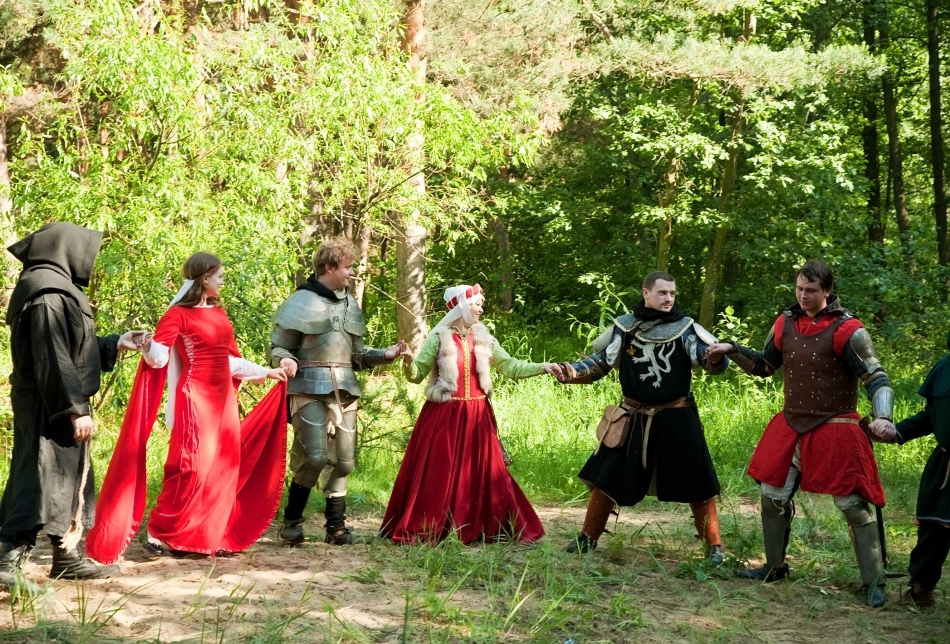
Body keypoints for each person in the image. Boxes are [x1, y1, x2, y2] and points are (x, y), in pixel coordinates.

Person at [706, 259, 896, 608]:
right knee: (772, 497)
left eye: (811, 290)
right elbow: (764, 366)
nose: (803, 295)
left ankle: (874, 583)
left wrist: (883, 416)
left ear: (827, 291)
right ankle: (775, 567)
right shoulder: (785, 323)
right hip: (792, 423)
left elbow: (876, 377)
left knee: (853, 506)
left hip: (836, 426)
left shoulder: (848, 329)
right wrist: (732, 348)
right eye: (799, 289)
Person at [85, 252, 289, 563]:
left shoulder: (219, 315)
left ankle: (209, 536)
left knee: (223, 467)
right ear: (205, 278)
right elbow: (159, 359)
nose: (222, 281)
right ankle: (160, 530)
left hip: (223, 400)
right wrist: (146, 345)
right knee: (190, 466)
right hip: (196, 398)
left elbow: (229, 361)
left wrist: (266, 371)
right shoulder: (177, 315)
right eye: (219, 276)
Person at [0, 222, 148, 586]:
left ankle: (67, 557)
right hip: (49, 404)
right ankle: (7, 560)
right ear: (65, 249)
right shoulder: (47, 293)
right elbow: (52, 357)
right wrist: (74, 409)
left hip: (53, 400)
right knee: (38, 476)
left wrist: (114, 343)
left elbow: (72, 349)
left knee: (66, 478)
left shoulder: (51, 288)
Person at [555, 271, 729, 563]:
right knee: (607, 476)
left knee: (697, 480)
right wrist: (570, 371)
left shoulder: (686, 328)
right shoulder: (625, 328)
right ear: (646, 293)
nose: (669, 298)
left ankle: (714, 547)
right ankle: (587, 538)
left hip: (678, 418)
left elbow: (708, 359)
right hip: (633, 417)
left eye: (672, 293)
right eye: (662, 293)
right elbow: (600, 363)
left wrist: (714, 357)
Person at [380, 284, 559, 544]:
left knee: (486, 472)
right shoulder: (439, 338)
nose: (481, 309)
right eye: (477, 304)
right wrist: (408, 360)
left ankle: (481, 526)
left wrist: (544, 367)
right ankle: (433, 525)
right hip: (445, 416)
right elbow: (416, 375)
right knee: (439, 473)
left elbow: (511, 367)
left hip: (477, 415)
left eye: (480, 304)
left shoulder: (484, 338)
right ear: (462, 306)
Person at [268, 238, 406, 545]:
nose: (352, 272)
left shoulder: (349, 303)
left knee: (345, 461)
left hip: (344, 387)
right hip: (307, 386)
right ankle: (291, 523)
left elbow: (357, 355)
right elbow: (277, 347)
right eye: (347, 267)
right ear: (329, 267)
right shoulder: (300, 301)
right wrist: (286, 359)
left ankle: (336, 527)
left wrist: (385, 355)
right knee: (315, 457)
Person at [874, 328, 950, 607]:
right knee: (932, 529)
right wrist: (897, 431)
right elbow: (931, 417)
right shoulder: (945, 367)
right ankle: (921, 590)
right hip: (944, 465)